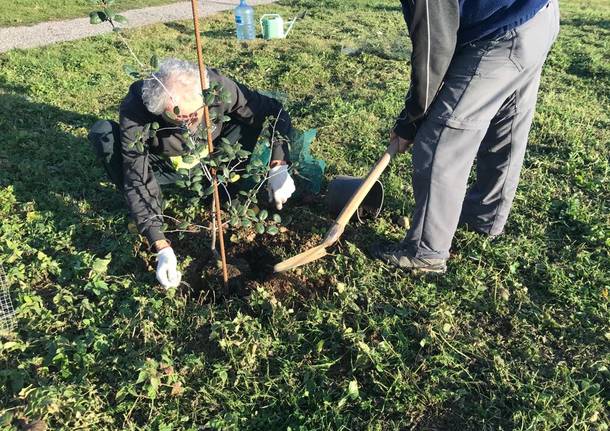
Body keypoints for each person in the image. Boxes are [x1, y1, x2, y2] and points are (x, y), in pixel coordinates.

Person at [371, 0, 560, 273]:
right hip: (539, 18)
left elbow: (434, 46)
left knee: (440, 139)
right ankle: (484, 219)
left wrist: (410, 120)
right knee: (506, 125)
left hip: (501, 35)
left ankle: (426, 251)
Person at [88, 58, 296, 288]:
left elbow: (274, 112)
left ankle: (224, 192)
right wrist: (161, 245)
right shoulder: (137, 108)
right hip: (164, 166)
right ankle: (148, 218)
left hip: (213, 160)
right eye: (181, 121)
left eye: (197, 116)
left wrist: (278, 164)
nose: (191, 126)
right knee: (103, 134)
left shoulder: (217, 87)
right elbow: (136, 170)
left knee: (248, 118)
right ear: (159, 111)